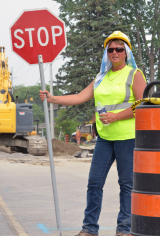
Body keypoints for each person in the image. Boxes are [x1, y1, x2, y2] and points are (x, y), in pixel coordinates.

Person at [39, 31, 147, 236]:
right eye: (110, 49)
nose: (114, 52)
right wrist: (53, 99)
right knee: (94, 183)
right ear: (107, 53)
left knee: (127, 185)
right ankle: (89, 229)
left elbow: (142, 104)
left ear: (126, 52)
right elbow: (80, 96)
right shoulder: (100, 77)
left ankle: (124, 229)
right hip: (105, 139)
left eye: (119, 49)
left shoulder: (134, 74)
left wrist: (116, 116)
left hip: (127, 138)